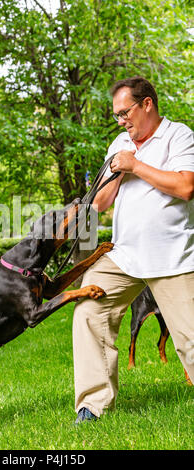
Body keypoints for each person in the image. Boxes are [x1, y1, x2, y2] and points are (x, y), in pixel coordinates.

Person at [73, 76, 194, 424]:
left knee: (189, 341)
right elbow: (101, 202)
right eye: (116, 116)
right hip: (124, 256)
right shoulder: (120, 143)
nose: (122, 121)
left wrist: (136, 166)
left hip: (172, 257)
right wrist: (106, 184)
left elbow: (186, 187)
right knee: (89, 310)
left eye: (125, 112)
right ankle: (92, 406)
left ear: (147, 104)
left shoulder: (178, 135)